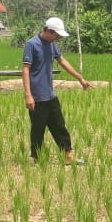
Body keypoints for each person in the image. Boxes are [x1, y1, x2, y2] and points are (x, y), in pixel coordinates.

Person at [22, 17, 91, 164]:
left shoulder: (51, 44)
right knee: (38, 129)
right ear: (48, 31)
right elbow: (26, 69)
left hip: (50, 95)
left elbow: (62, 61)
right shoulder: (31, 44)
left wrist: (80, 78)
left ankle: (68, 155)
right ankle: (37, 158)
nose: (58, 38)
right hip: (37, 97)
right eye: (57, 35)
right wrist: (28, 95)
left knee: (59, 125)